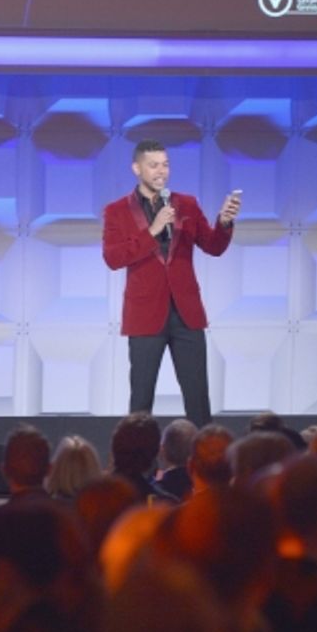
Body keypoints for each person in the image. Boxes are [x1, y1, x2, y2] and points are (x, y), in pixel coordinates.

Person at [102, 139, 239, 425]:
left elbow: (212, 246)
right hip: (144, 314)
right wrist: (152, 231)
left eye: (165, 165)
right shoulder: (116, 211)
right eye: (153, 166)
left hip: (185, 313)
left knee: (198, 396)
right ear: (137, 168)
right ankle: (138, 464)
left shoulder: (186, 203)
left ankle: (205, 462)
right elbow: (113, 258)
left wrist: (224, 223)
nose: (161, 171)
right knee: (141, 400)